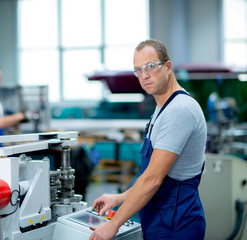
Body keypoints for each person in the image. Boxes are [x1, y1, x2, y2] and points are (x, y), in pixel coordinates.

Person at [90, 40, 207, 240]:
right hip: (161, 221)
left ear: (168, 67)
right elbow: (151, 177)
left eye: (150, 66)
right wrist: (118, 198)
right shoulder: (163, 108)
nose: (144, 75)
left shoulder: (179, 110)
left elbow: (152, 180)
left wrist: (114, 224)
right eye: (138, 70)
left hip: (176, 226)